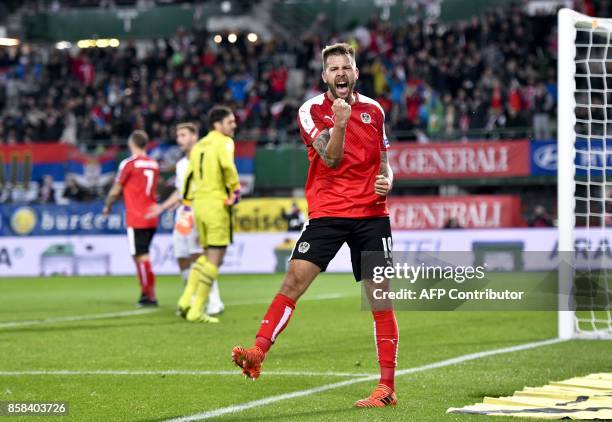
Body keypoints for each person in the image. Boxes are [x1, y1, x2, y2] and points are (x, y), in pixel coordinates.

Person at [231, 43, 398, 408]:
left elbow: (385, 162)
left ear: (355, 73)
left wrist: (389, 180)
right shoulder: (310, 111)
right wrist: (339, 122)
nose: (341, 73)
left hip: (371, 215)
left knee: (380, 298)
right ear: (325, 75)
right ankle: (258, 352)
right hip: (329, 213)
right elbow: (332, 158)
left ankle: (386, 388)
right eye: (333, 68)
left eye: (346, 67)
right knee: (294, 280)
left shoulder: (374, 110)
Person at [146, 122, 224, 316]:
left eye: (183, 135)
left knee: (199, 257)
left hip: (200, 211)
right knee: (182, 257)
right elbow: (181, 192)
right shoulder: (181, 164)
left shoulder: (204, 158)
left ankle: (214, 301)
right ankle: (191, 298)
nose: (179, 139)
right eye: (178, 135)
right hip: (184, 215)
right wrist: (163, 207)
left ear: (194, 136)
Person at [177, 106, 241, 323]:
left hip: (199, 205)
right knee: (216, 257)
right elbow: (227, 166)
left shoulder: (199, 145)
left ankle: (186, 300)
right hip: (216, 204)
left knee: (205, 255)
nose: (234, 125)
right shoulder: (224, 142)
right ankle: (197, 309)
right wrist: (235, 189)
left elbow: (189, 176)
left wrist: (187, 202)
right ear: (218, 124)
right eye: (230, 122)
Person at [103, 130, 160, 307]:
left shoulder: (129, 164)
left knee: (141, 256)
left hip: (137, 216)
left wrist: (108, 206)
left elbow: (115, 189)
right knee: (142, 255)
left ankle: (148, 295)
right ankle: (148, 292)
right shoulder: (154, 164)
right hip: (152, 215)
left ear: (132, 143)